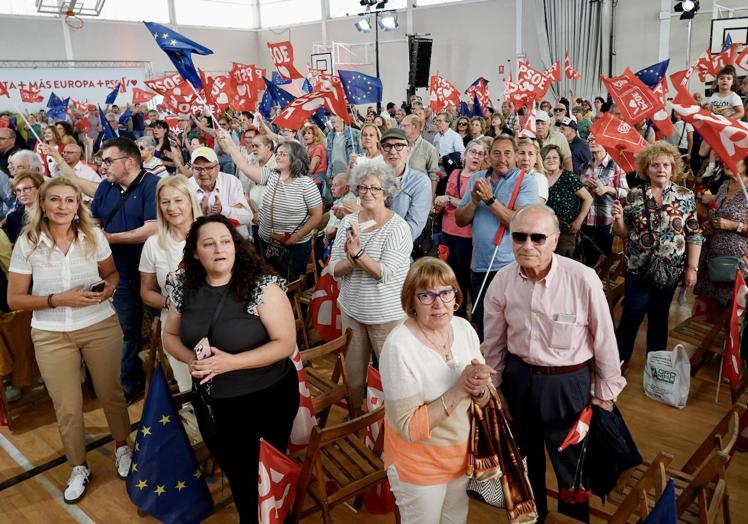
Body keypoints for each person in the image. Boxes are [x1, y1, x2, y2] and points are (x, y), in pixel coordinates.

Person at [483, 204, 626, 522]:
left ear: (555, 239)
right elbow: (493, 344)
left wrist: (604, 394)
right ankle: (532, 517)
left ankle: (573, 519)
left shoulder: (582, 278)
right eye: (519, 237)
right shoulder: (502, 281)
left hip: (569, 384)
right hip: (519, 380)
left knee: (572, 464)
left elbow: (604, 339)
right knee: (523, 458)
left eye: (538, 237)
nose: (527, 245)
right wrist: (497, 388)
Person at [162, 214, 299, 522]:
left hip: (264, 400)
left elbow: (284, 344)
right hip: (213, 404)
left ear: (236, 247)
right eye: (208, 244)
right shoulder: (183, 286)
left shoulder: (262, 287)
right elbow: (169, 335)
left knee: (264, 477)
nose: (219, 249)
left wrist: (230, 362)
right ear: (195, 252)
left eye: (225, 242)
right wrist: (190, 359)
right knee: (238, 475)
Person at [8, 177, 132, 504]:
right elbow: (15, 299)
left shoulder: (93, 237)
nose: (63, 206)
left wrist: (109, 288)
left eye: (70, 200)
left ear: (78, 205)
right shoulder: (27, 242)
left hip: (99, 325)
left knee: (111, 394)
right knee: (67, 407)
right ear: (43, 206)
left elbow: (112, 275)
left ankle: (123, 448)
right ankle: (78, 466)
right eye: (56, 200)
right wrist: (57, 299)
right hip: (50, 335)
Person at [380, 257, 494, 523]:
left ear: (456, 296)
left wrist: (479, 389)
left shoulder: (464, 329)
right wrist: (460, 388)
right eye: (426, 295)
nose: (439, 303)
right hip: (419, 466)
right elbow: (410, 427)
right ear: (411, 302)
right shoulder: (399, 347)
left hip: (461, 458)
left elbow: (484, 398)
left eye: (446, 292)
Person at [329, 163, 412, 411]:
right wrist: (353, 260)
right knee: (354, 376)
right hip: (352, 311)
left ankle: (391, 427)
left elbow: (384, 273)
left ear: (386, 191)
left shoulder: (398, 228)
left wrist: (357, 254)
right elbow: (333, 268)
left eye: (375, 188)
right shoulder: (349, 222)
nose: (368, 192)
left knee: (392, 378)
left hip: (386, 316)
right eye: (363, 187)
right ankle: (355, 418)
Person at [612, 142, 702, 365]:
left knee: (660, 317)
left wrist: (692, 268)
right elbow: (623, 234)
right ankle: (617, 363)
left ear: (673, 168)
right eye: (655, 165)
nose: (661, 169)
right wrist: (618, 220)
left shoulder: (685, 196)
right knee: (632, 313)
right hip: (638, 266)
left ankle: (655, 366)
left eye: (665, 165)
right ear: (646, 168)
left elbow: (694, 233)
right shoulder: (634, 195)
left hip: (670, 269)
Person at [91, 137, 159, 401]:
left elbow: (150, 229)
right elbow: (94, 219)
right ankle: (130, 383)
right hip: (118, 271)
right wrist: (97, 233)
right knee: (125, 330)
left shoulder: (151, 185)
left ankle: (173, 377)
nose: (103, 166)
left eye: (108, 161)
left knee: (162, 325)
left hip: (151, 272)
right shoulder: (105, 187)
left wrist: (109, 238)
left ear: (129, 162)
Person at [454, 135, 540, 340]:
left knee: (512, 323)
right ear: (489, 156)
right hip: (479, 265)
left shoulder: (527, 182)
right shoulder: (478, 179)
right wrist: (474, 202)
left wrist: (490, 199)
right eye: (497, 153)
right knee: (483, 321)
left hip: (509, 266)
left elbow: (519, 223)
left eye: (507, 153)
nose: (502, 158)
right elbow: (460, 220)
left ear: (516, 156)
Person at [219, 134, 323, 281]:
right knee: (269, 280)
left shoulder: (306, 184)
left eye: (282, 154)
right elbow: (244, 166)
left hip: (293, 246)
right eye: (277, 154)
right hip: (266, 241)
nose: (278, 157)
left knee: (289, 282)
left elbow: (317, 215)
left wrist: (297, 237)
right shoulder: (272, 175)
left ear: (295, 158)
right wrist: (230, 145)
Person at [139, 176, 202, 392]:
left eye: (178, 200)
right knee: (188, 389)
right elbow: (146, 292)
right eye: (165, 202)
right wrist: (172, 303)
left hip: (216, 323)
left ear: (190, 200)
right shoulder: (153, 244)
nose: (172, 208)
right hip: (175, 330)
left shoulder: (211, 232)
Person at [433, 140, 487, 317]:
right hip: (448, 233)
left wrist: (448, 199)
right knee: (451, 279)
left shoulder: (483, 178)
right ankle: (457, 315)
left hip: (469, 236)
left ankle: (472, 319)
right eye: (473, 152)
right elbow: (449, 199)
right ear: (465, 155)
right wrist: (439, 205)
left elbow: (475, 205)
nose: (476, 156)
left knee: (467, 279)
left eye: (480, 153)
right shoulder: (455, 173)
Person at [694, 157, 748, 313]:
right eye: (725, 159)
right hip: (710, 259)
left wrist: (733, 226)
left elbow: (731, 222)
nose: (726, 162)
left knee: (728, 313)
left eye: (733, 159)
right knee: (705, 313)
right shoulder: (725, 186)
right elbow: (715, 215)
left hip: (735, 263)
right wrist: (708, 224)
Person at [578, 134, 629, 267]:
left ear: (606, 143)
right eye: (590, 140)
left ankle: (600, 284)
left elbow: (626, 192)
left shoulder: (616, 166)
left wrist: (607, 189)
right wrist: (583, 184)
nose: (592, 142)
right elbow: (577, 192)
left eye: (596, 139)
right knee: (586, 258)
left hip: (605, 219)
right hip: (585, 218)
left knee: (603, 257)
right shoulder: (584, 166)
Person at [186, 147, 252, 239]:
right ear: (192, 170)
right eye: (198, 168)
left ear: (218, 168)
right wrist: (200, 214)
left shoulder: (231, 182)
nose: (203, 173)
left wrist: (222, 210)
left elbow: (247, 217)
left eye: (209, 168)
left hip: (233, 240)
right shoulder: (186, 187)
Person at [542, 145, 593, 258]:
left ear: (560, 160)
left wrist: (579, 221)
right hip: (545, 231)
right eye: (547, 158)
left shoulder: (568, 177)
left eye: (555, 157)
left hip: (566, 231)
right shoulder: (540, 179)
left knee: (563, 263)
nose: (551, 160)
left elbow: (588, 198)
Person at [381, 128, 432, 241]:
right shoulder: (372, 179)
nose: (393, 151)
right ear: (381, 150)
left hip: (399, 250)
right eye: (387, 146)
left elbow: (413, 228)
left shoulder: (420, 182)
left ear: (408, 149)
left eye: (399, 145)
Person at [3, 171, 44, 243]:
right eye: (18, 190)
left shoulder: (50, 214)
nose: (22, 194)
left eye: (26, 189)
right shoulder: (12, 218)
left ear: (39, 188)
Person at [401, 114, 439, 191]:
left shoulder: (429, 149)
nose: (401, 128)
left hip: (419, 193)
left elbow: (434, 176)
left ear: (414, 126)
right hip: (400, 191)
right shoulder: (399, 146)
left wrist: (430, 198)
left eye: (404, 126)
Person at [326, 115, 361, 179]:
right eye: (330, 115)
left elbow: (362, 155)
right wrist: (330, 175)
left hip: (351, 175)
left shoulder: (355, 134)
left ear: (342, 118)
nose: (331, 118)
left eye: (334, 115)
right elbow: (329, 159)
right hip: (335, 176)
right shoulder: (329, 136)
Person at [301, 124, 328, 196]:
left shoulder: (318, 147)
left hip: (317, 183)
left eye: (309, 133)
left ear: (315, 136)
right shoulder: (308, 148)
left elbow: (311, 169)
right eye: (304, 133)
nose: (305, 135)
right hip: (310, 182)